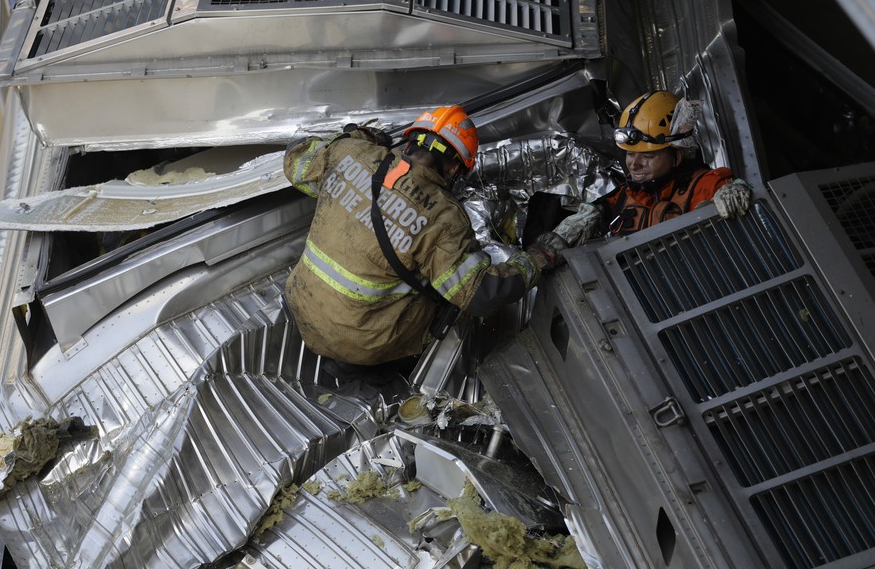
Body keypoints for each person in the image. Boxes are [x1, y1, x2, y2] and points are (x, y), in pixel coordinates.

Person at [282, 105, 559, 382]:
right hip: (363, 346)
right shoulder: (443, 217)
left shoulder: (349, 153)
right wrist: (535, 258)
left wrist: (360, 137)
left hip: (302, 310)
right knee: (451, 299)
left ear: (412, 141)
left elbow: (295, 158)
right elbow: (482, 294)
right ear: (453, 168)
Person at [545, 90, 753, 247]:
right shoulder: (623, 197)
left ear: (677, 156)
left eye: (647, 156)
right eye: (631, 153)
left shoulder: (705, 185)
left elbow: (727, 188)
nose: (634, 164)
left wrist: (734, 190)